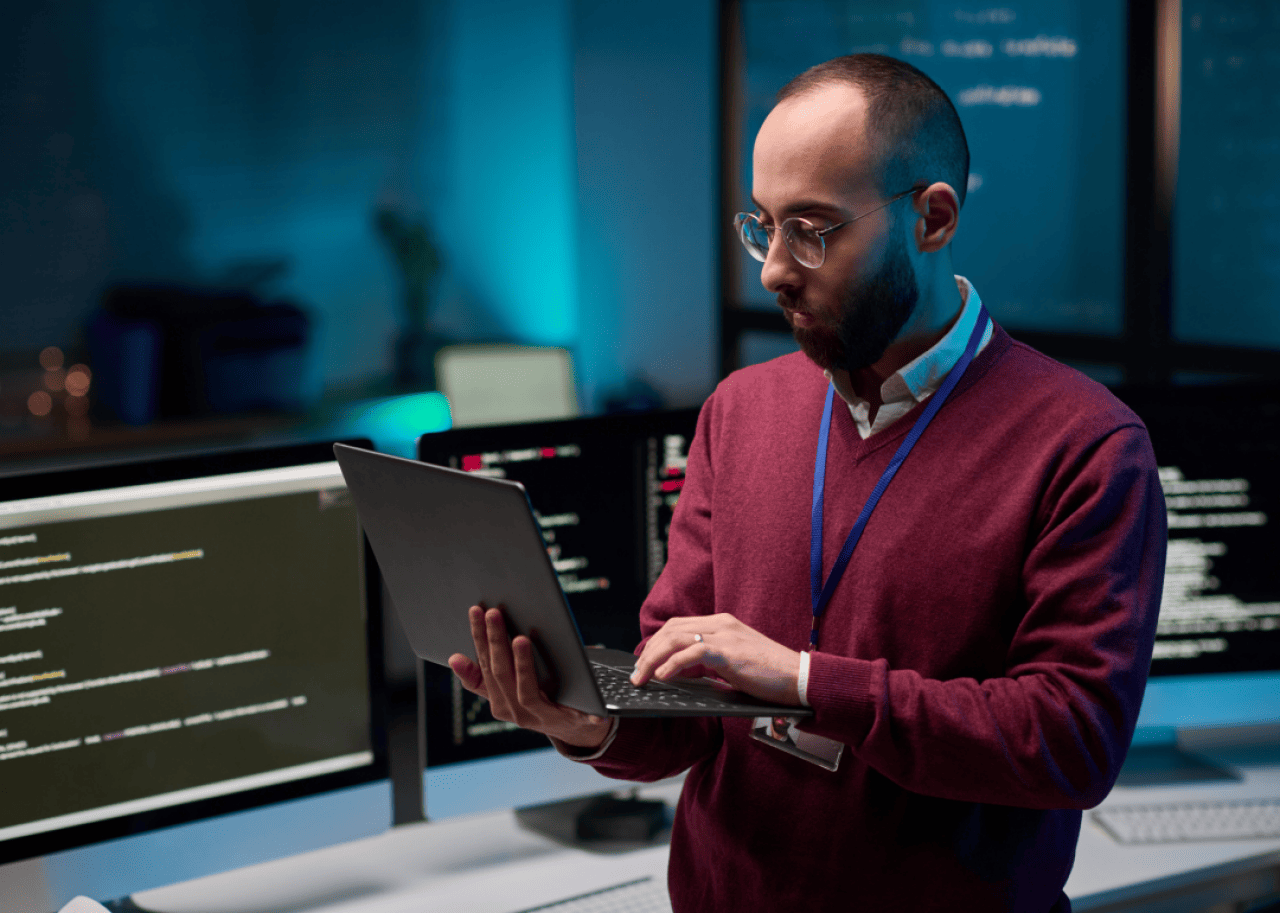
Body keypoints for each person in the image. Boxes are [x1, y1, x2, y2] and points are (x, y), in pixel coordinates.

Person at [449, 54, 1166, 912]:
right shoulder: (741, 409)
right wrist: (588, 724)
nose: (774, 270)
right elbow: (681, 697)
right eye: (764, 225)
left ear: (933, 219)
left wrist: (803, 680)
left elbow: (1071, 741)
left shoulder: (1084, 445)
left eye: (814, 230)